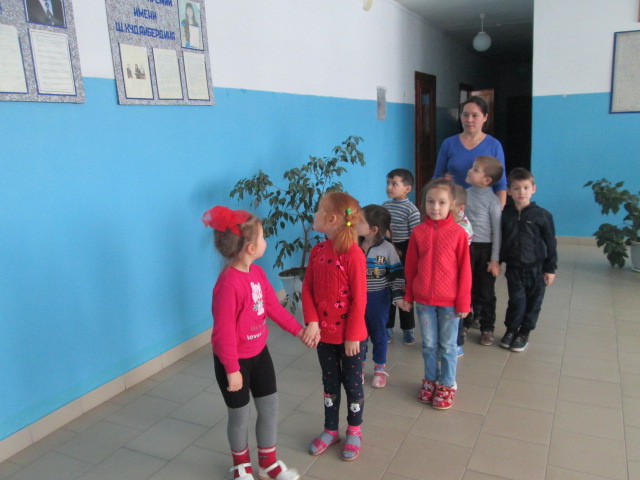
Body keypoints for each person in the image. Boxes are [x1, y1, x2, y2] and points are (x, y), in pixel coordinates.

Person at [202, 206, 307, 480]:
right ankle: (241, 466)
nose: (265, 241)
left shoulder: (257, 274)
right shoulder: (228, 285)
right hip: (233, 362)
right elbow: (223, 333)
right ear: (250, 248)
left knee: (269, 407)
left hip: (260, 354)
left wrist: (299, 330)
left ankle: (267, 463)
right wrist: (232, 369)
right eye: (262, 237)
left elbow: (273, 307)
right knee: (239, 416)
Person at [301, 192, 367, 461]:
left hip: (351, 339)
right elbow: (307, 289)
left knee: (353, 384)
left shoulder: (353, 255)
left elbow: (360, 299)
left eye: (319, 209)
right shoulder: (317, 251)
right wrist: (312, 322)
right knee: (329, 383)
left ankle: (354, 430)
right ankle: (331, 430)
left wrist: (353, 336)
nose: (315, 213)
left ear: (331, 219)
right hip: (324, 337)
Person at [397, 177, 471, 410]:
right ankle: (430, 380)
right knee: (429, 344)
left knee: (447, 346)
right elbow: (410, 267)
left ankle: (447, 383)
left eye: (441, 202)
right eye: (430, 201)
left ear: (452, 205)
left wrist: (464, 302)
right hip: (424, 301)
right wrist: (408, 295)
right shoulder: (418, 232)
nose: (435, 207)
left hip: (450, 302)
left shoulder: (459, 234)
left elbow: (465, 271)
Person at [499, 168, 557, 352]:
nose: (521, 192)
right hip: (514, 269)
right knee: (516, 301)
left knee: (533, 303)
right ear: (509, 191)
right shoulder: (505, 215)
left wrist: (550, 269)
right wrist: (497, 261)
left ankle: (524, 333)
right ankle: (511, 330)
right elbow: (501, 241)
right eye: (516, 188)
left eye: (525, 187)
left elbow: (551, 243)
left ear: (533, 189)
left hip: (536, 269)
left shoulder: (542, 215)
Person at [357, 204, 405, 388]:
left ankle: (379, 368)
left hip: (379, 299)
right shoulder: (354, 244)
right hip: (357, 299)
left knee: (379, 334)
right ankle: (358, 367)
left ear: (373, 229)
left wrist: (398, 296)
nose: (355, 223)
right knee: (359, 333)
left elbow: (397, 274)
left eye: (360, 221)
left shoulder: (387, 249)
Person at [434, 96, 507, 206]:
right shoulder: (448, 143)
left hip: (483, 208)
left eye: (475, 115)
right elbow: (437, 178)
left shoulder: (494, 145)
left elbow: (500, 184)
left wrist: (499, 209)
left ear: (485, 117)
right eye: (465, 115)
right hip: (453, 206)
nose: (469, 120)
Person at [464, 156, 503, 347]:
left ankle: (487, 327)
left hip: (485, 250)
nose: (470, 170)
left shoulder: (493, 201)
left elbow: (497, 232)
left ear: (487, 180)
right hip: (466, 247)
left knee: (486, 290)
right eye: (473, 167)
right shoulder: (464, 194)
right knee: (466, 287)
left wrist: (495, 260)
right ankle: (465, 321)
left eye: (476, 169)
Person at [382, 168, 420, 345]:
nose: (389, 187)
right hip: (387, 250)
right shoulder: (385, 206)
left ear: (407, 189)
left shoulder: (412, 210)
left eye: (394, 184)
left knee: (404, 292)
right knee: (388, 290)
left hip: (405, 251)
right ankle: (387, 327)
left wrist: (404, 253)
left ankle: (408, 329)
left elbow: (416, 238)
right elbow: (381, 229)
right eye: (388, 183)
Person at [451, 184, 473, 358]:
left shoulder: (462, 227)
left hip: (456, 273)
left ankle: (457, 343)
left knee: (456, 312)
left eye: (445, 204)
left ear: (460, 208)